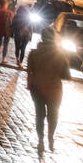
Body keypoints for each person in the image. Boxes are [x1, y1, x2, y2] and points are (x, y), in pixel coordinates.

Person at [26, 25, 71, 153]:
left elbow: (30, 70)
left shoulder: (34, 53)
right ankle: (50, 137)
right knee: (53, 114)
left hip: (37, 88)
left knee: (39, 115)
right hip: (54, 90)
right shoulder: (61, 55)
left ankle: (40, 140)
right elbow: (66, 75)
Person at [11, 1, 32, 68]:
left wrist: (12, 33)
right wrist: (31, 36)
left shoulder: (16, 16)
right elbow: (31, 27)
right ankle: (20, 62)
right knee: (23, 48)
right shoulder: (28, 17)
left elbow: (13, 25)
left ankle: (17, 59)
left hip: (17, 34)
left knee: (17, 47)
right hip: (26, 35)